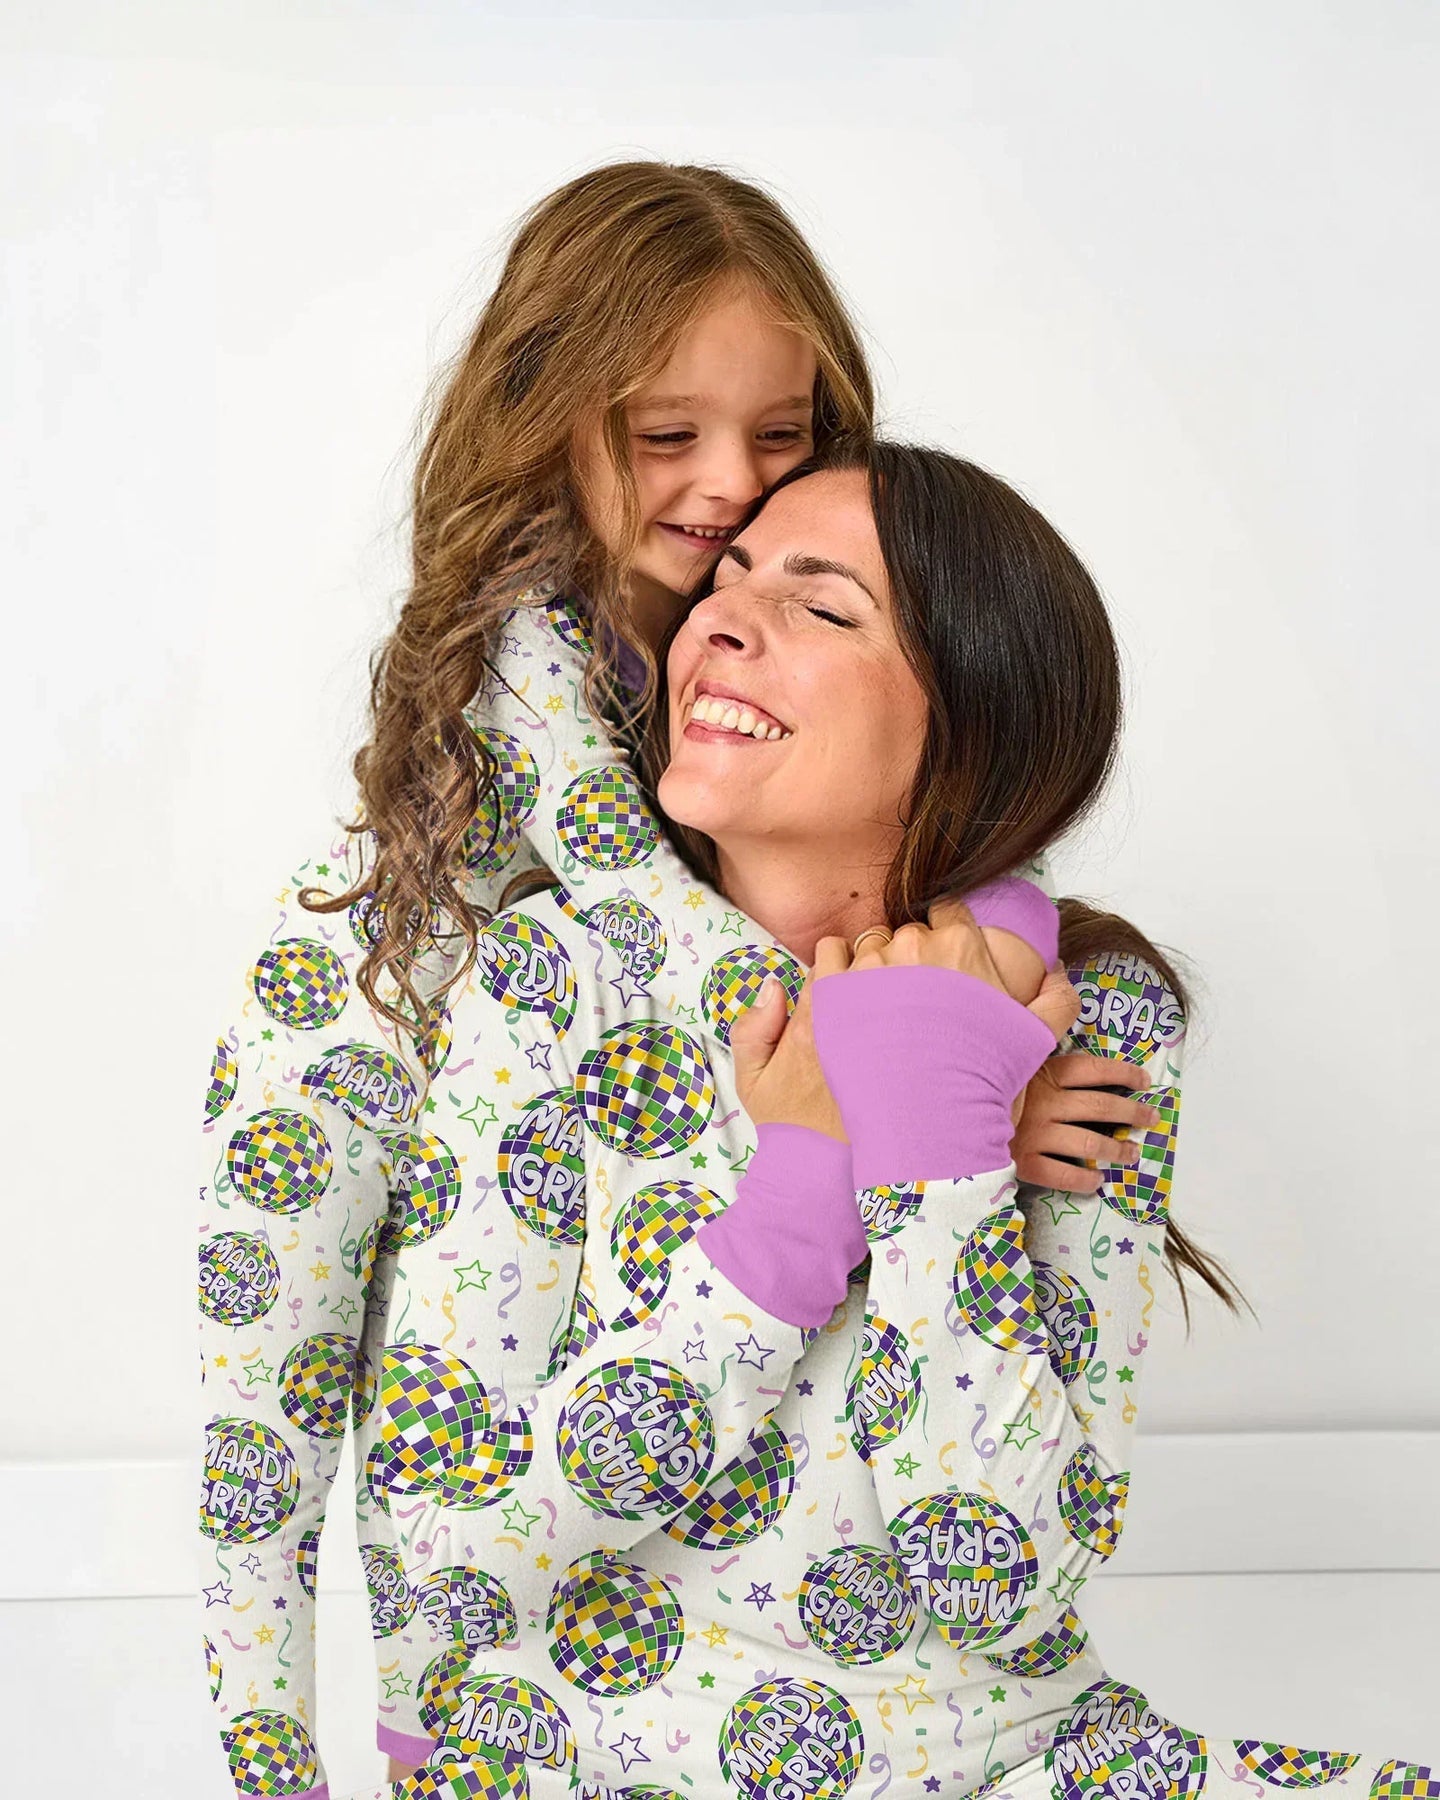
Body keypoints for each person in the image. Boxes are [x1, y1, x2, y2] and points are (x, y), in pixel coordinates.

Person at [199, 164, 1154, 1797]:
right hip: (514, 1678)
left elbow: (964, 751)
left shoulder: (772, 731)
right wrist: (931, 1084)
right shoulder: (448, 906)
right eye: (664, 433)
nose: (728, 485)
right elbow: (268, 1401)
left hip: (846, 1668)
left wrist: (974, 999)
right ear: (544, 424)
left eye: (782, 432)